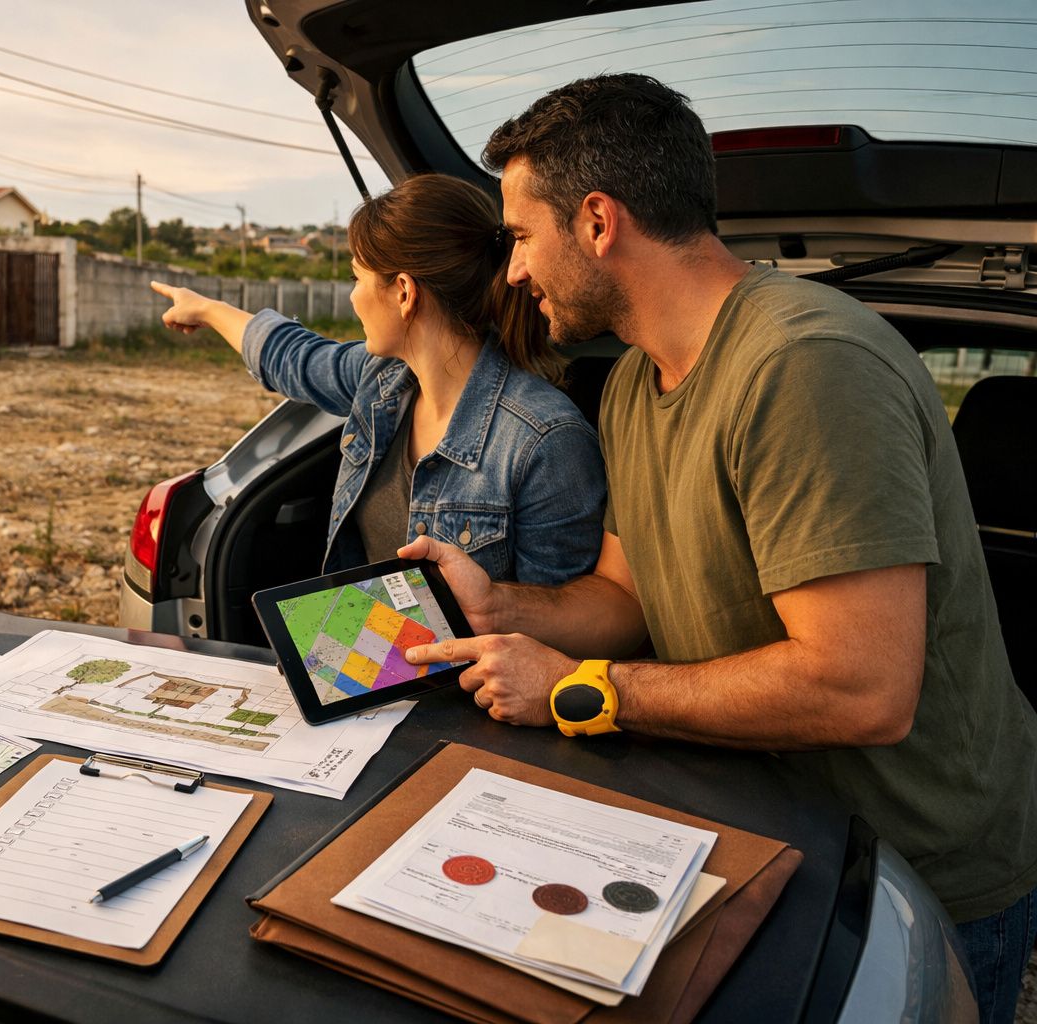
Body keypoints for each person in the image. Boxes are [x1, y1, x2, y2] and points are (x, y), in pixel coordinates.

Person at [400, 73, 1037, 1023]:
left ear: (599, 221)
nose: (516, 272)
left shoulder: (803, 365)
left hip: (908, 869)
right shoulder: (629, 385)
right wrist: (498, 608)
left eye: (522, 236)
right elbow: (627, 594)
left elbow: (862, 687)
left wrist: (584, 692)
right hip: (765, 831)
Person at [149, 172, 604, 585]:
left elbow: (554, 628)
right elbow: (295, 358)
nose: (352, 297)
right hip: (371, 658)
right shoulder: (383, 381)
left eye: (357, 278)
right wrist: (207, 310)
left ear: (404, 292)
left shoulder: (545, 442)